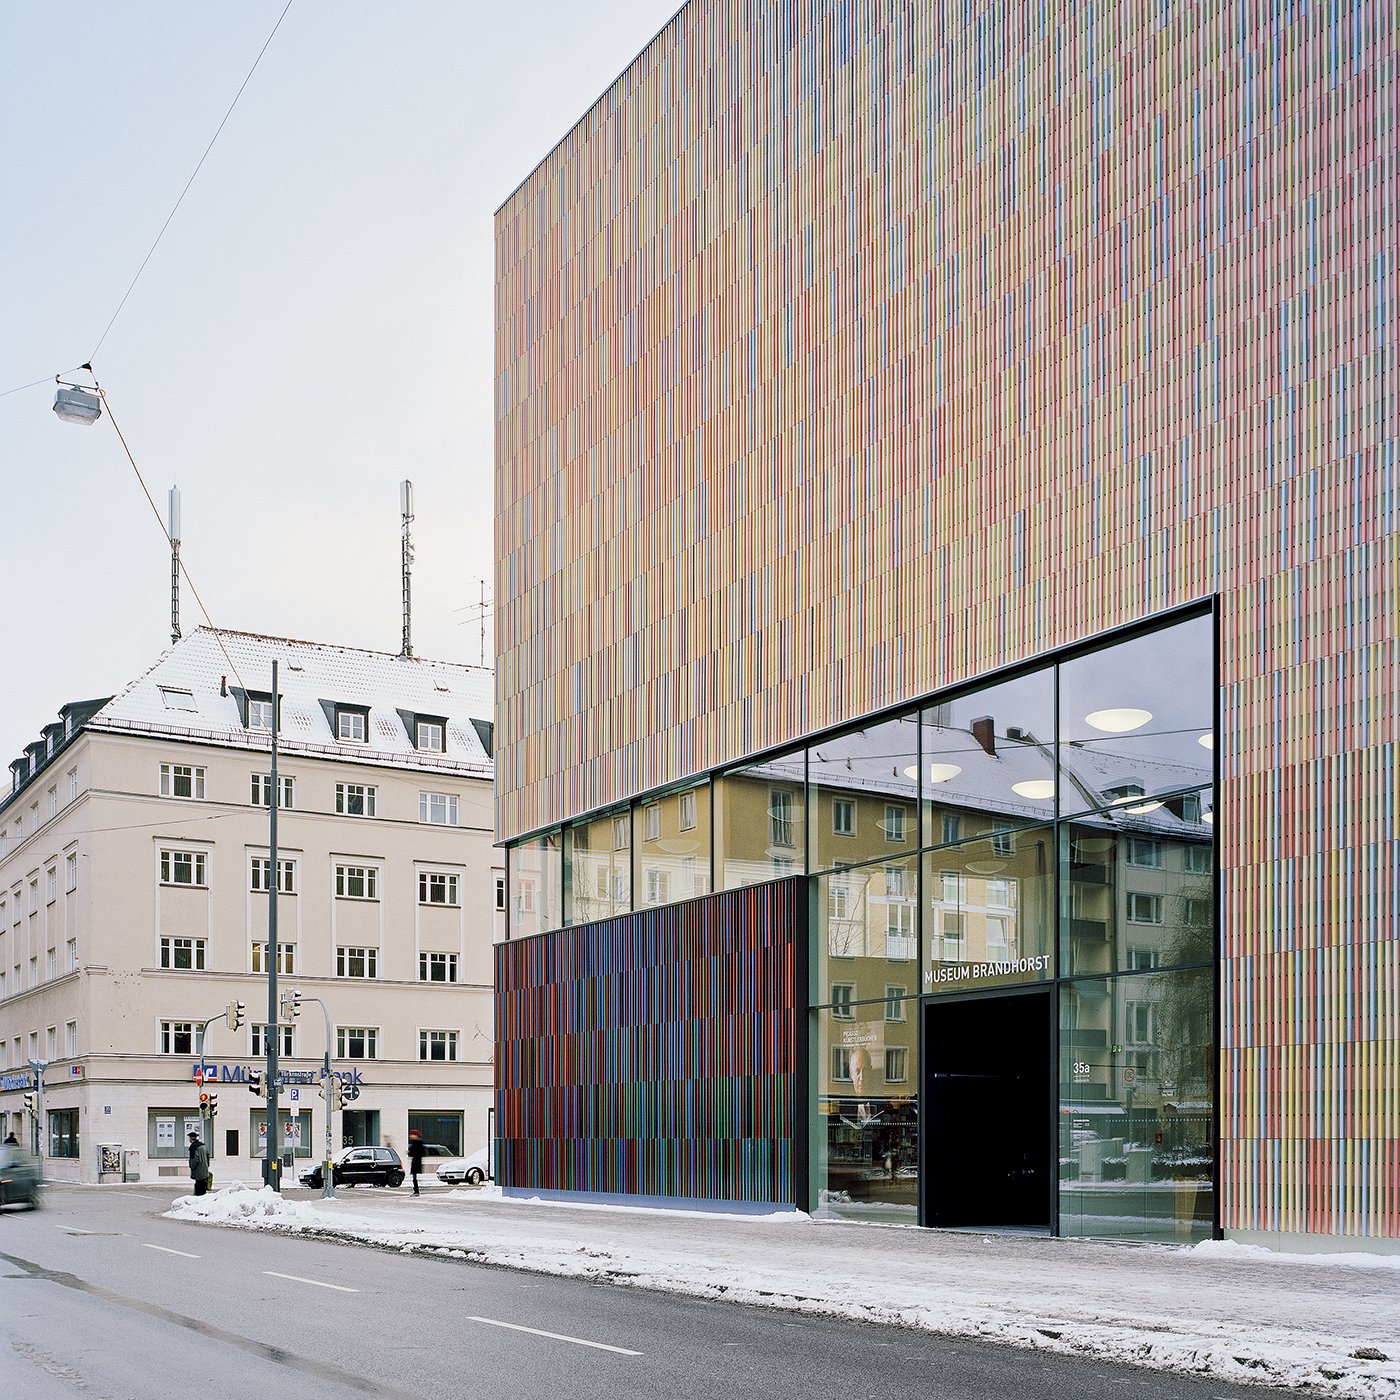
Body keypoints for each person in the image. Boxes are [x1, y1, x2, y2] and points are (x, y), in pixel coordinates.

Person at [187, 1131, 211, 1196]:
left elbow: (193, 1159)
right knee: (203, 1187)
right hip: (205, 1169)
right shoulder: (203, 1145)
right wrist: (207, 1165)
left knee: (198, 1187)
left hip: (198, 1170)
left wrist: (191, 1166)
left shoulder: (193, 1147)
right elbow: (207, 1156)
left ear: (190, 1138)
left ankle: (198, 1199)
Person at [407, 1130, 425, 1196]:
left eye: (412, 1135)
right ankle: (416, 1190)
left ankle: (416, 1191)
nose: (410, 1136)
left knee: (414, 1177)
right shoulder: (414, 1143)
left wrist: (411, 1153)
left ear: (416, 1135)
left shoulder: (419, 1143)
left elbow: (420, 1152)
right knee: (414, 1177)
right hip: (415, 1161)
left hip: (416, 1162)